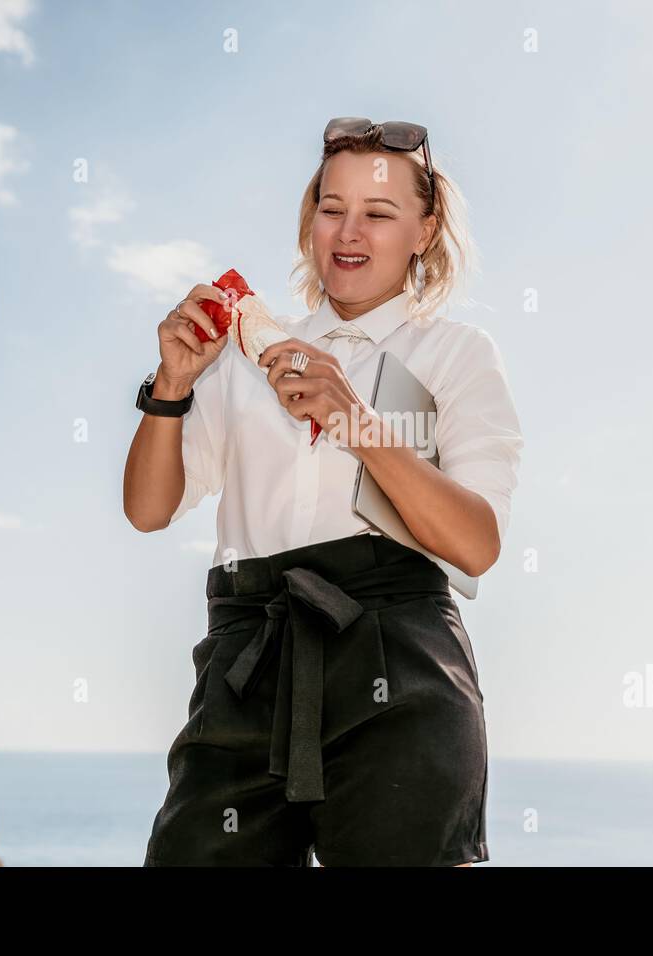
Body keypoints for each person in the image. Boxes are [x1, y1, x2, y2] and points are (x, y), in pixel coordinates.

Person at [124, 117, 524, 866]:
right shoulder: (240, 359)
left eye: (378, 214)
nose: (348, 232)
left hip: (396, 662)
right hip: (249, 655)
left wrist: (359, 421)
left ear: (424, 229)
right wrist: (174, 384)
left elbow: (476, 543)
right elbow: (148, 510)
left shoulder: (458, 353)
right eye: (330, 207)